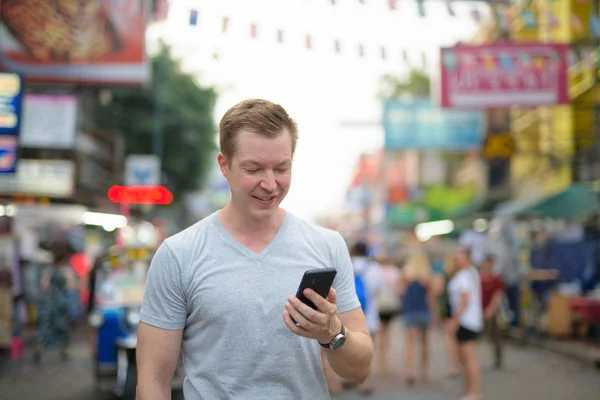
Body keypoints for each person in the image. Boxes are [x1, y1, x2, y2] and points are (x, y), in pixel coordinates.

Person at [137, 99, 373, 400]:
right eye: (254, 169)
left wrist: (332, 333)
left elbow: (360, 369)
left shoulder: (327, 245)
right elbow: (153, 381)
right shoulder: (179, 254)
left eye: (281, 168)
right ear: (224, 165)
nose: (270, 184)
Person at [398, 234, 434, 386]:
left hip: (411, 309)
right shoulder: (427, 271)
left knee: (411, 342)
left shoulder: (407, 271)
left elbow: (400, 291)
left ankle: (410, 372)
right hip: (421, 309)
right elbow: (432, 292)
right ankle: (421, 372)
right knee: (423, 342)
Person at [448, 249, 483, 400]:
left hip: (466, 322)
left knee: (469, 359)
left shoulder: (464, 276)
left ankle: (474, 392)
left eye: (459, 259)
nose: (456, 262)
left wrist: (454, 320)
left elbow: (464, 300)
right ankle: (468, 390)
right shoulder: (471, 273)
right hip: (471, 321)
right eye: (455, 259)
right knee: (465, 359)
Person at [34, 244, 77, 363]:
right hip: (62, 302)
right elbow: (71, 286)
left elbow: (44, 286)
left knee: (46, 326)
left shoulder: (49, 270)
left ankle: (40, 347)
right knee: (62, 326)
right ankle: (64, 350)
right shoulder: (66, 270)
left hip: (50, 302)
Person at [350, 241, 383, 394]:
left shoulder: (347, 264)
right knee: (369, 349)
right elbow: (377, 290)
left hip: (351, 315)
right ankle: (366, 381)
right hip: (370, 315)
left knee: (351, 348)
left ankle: (353, 377)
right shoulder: (374, 268)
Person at [373, 255, 401, 375]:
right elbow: (399, 289)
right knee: (387, 333)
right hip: (390, 306)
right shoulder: (395, 271)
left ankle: (379, 361)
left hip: (378, 306)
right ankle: (384, 361)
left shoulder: (375, 270)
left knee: (379, 334)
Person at [480, 256, 505, 369]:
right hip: (480, 312)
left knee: (496, 336)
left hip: (493, 313)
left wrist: (491, 310)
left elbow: (497, 296)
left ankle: (498, 358)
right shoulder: (480, 278)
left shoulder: (496, 279)